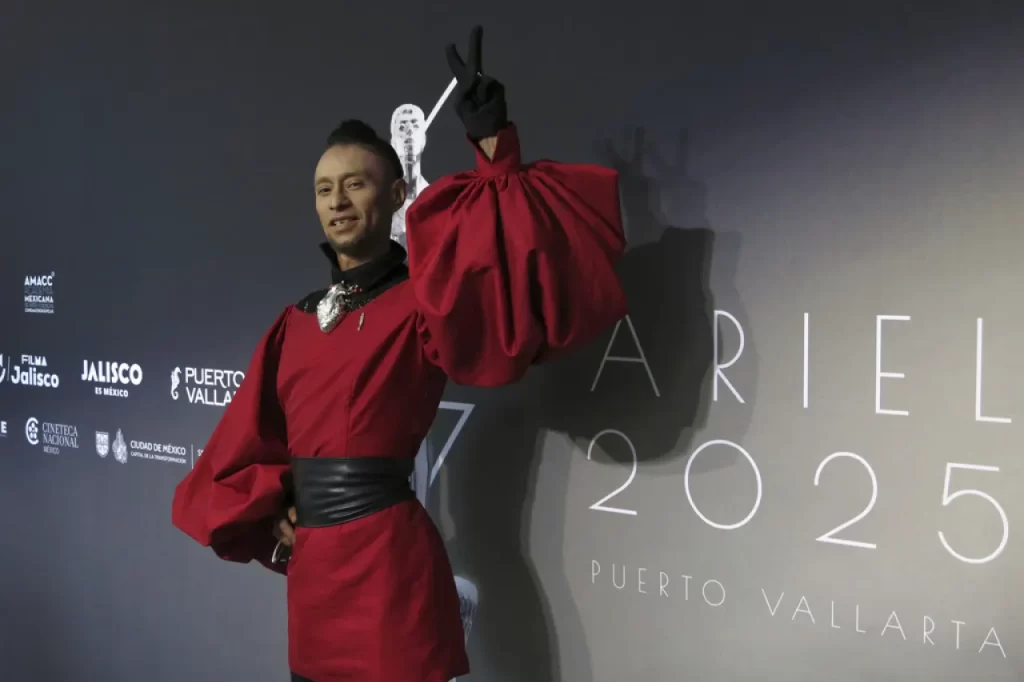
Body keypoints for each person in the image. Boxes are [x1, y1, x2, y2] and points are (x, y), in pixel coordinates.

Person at [170, 25, 628, 682]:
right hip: (314, 587)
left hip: (391, 576)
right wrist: (276, 507)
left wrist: (494, 148)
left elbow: (507, 276)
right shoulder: (292, 324)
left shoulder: (424, 302)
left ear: (394, 195)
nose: (337, 201)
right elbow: (247, 444)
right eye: (324, 189)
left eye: (355, 184)